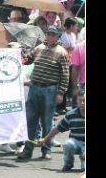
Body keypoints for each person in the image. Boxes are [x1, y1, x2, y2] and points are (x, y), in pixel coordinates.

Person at [18, 26, 70, 161]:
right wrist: (21, 54)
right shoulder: (39, 48)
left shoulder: (62, 53)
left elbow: (65, 75)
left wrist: (61, 93)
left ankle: (46, 150)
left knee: (47, 122)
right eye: (48, 33)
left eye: (53, 34)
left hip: (50, 90)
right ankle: (28, 150)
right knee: (31, 121)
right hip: (34, 87)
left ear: (57, 36)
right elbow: (27, 60)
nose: (50, 36)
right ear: (46, 35)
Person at [37, 93, 85, 172]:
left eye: (84, 101)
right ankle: (68, 164)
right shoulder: (71, 114)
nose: (82, 103)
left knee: (84, 169)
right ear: (77, 101)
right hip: (75, 142)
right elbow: (57, 129)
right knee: (67, 144)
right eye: (80, 101)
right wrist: (44, 139)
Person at [70, 40, 86, 108]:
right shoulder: (79, 47)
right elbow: (75, 69)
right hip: (82, 86)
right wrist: (75, 87)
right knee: (78, 113)